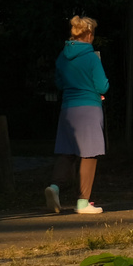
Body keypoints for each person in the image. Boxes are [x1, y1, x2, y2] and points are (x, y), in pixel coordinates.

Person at [45, 15, 109, 215]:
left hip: (68, 108)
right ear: (89, 35)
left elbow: (59, 83)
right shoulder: (91, 57)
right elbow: (102, 85)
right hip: (89, 107)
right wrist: (96, 91)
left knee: (68, 152)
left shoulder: (62, 56)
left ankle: (54, 187)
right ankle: (83, 202)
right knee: (89, 154)